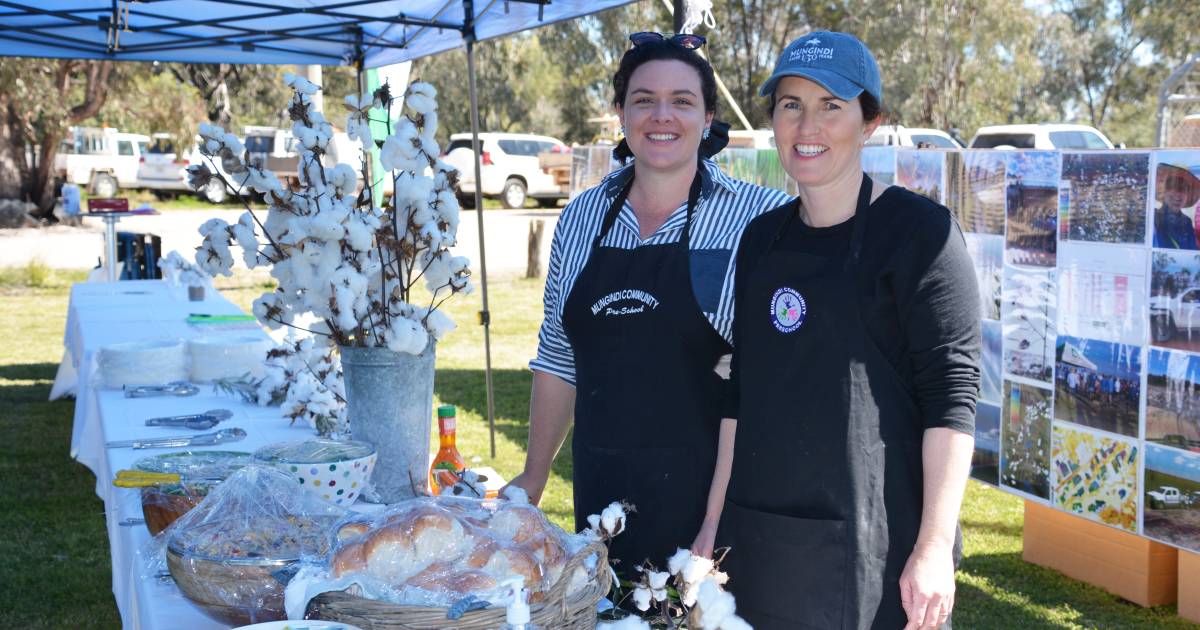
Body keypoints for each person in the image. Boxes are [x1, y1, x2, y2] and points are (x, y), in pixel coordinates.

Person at [712, 32, 980, 629]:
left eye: (831, 105)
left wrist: (935, 547)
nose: (808, 125)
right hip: (763, 542)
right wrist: (712, 527)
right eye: (791, 104)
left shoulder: (919, 236)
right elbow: (740, 393)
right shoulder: (761, 240)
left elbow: (953, 399)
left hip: (877, 550)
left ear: (870, 121)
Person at [506, 32, 791, 577]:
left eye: (682, 101)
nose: (663, 116)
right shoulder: (582, 216)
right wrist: (534, 475)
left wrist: (719, 520)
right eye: (644, 100)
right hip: (602, 495)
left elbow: (770, 377)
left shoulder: (762, 218)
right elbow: (559, 356)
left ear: (709, 117)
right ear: (620, 112)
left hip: (716, 508)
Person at [1154, 162, 1200, 249]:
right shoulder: (1152, 217)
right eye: (1173, 187)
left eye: (1184, 189)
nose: (1179, 194)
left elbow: (1191, 251)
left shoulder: (1187, 222)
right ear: (1164, 191)